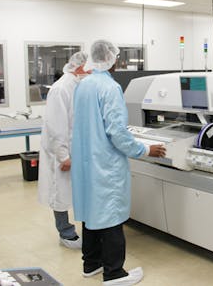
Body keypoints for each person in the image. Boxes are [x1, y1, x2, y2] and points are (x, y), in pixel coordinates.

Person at [71, 40, 166, 285]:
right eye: (117, 58)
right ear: (111, 59)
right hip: (105, 164)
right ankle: (114, 273)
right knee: (111, 216)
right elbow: (117, 133)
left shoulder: (83, 85)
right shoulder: (110, 88)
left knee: (92, 212)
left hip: (86, 161)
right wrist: (145, 149)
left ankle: (91, 264)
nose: (119, 62)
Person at [37, 51, 89, 249]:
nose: (92, 71)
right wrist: (63, 156)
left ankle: (77, 231)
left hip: (75, 149)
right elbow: (57, 126)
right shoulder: (61, 88)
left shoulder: (78, 85)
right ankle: (66, 233)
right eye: (89, 68)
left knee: (71, 192)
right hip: (62, 151)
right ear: (79, 67)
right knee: (60, 191)